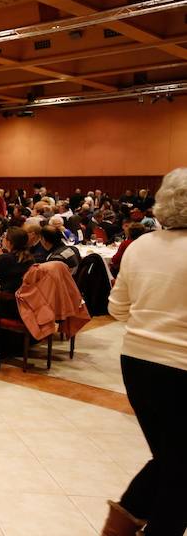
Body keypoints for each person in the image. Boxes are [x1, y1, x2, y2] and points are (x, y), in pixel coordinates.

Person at [105, 167, 187, 536]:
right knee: (178, 465)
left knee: (172, 459)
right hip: (181, 367)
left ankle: (118, 527)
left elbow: (116, 309)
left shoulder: (140, 246)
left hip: (137, 362)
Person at [0, 227, 34, 318]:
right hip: (26, 303)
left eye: (4, 237)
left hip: (7, 306)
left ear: (10, 242)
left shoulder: (6, 258)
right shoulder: (30, 258)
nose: (2, 239)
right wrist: (3, 255)